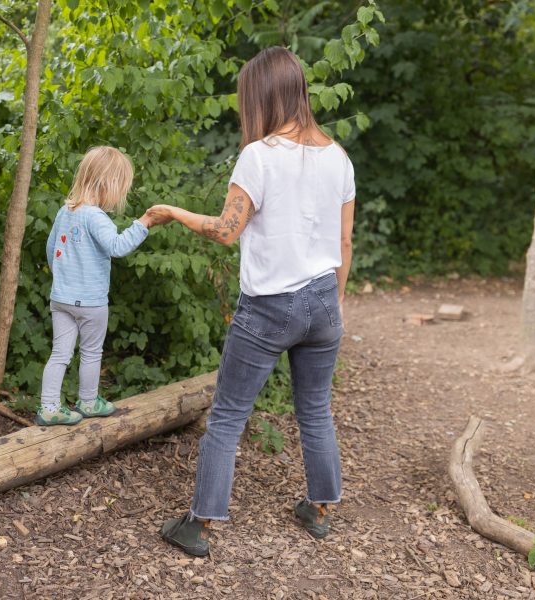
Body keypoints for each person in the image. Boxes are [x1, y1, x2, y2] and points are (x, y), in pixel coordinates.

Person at [151, 46, 356, 556]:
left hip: (269, 307)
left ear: (262, 96)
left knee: (227, 416)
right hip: (324, 300)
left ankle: (199, 526)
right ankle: (320, 510)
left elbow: (225, 231)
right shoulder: (339, 157)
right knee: (315, 410)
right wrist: (336, 303)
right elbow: (345, 244)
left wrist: (174, 212)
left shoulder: (259, 155)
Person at [37, 146, 166, 426]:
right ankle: (87, 401)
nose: (121, 196)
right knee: (91, 352)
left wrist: (62, 275)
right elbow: (117, 247)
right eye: (121, 188)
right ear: (108, 184)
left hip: (61, 297)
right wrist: (145, 222)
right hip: (92, 302)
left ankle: (48, 407)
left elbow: (51, 248)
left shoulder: (65, 211)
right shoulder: (95, 216)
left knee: (60, 354)